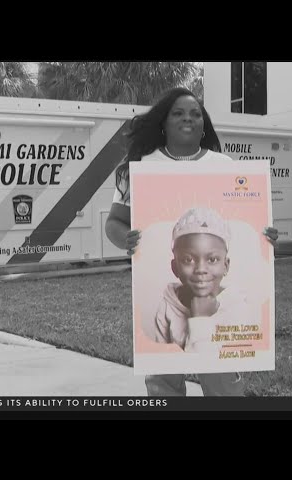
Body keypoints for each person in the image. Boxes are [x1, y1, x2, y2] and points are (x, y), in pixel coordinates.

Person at [105, 87, 278, 396]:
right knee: (162, 379)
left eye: (196, 114)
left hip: (220, 326)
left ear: (204, 123)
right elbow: (113, 223)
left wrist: (265, 236)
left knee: (222, 379)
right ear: (164, 123)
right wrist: (126, 240)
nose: (188, 119)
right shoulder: (143, 168)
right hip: (155, 287)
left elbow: (252, 220)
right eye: (179, 113)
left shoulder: (225, 165)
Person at [154, 206, 252, 355]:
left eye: (212, 259)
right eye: (188, 259)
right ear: (175, 268)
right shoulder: (167, 306)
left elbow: (214, 370)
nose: (201, 269)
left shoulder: (237, 309)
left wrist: (201, 320)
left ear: (225, 266)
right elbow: (161, 364)